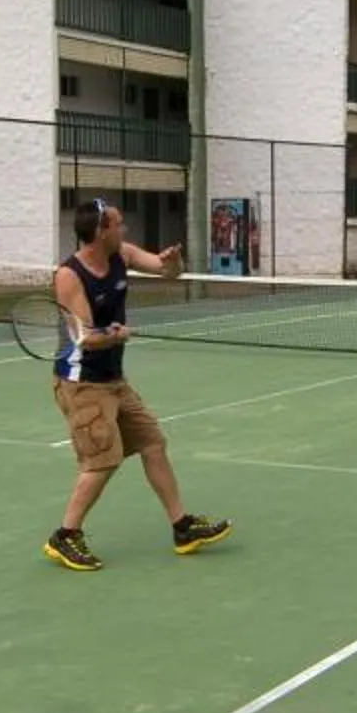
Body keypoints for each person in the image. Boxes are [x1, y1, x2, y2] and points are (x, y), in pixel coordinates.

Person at [43, 199, 233, 572]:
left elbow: (167, 272)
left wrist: (172, 259)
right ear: (101, 231)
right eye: (118, 224)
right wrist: (115, 334)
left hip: (114, 381)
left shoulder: (122, 255)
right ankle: (65, 536)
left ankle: (182, 528)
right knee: (102, 461)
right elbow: (84, 337)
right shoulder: (69, 276)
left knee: (152, 443)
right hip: (82, 384)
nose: (125, 229)